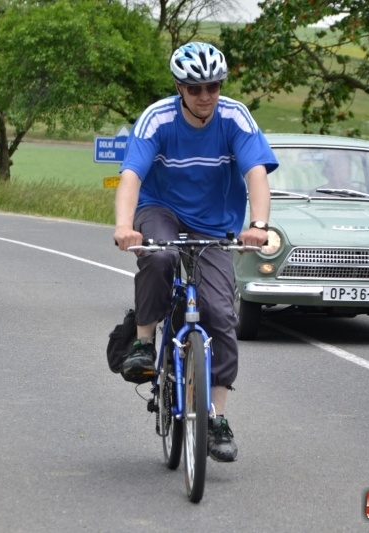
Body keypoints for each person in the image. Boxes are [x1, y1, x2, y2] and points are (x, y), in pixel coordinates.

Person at [113, 42, 279, 463]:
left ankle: (216, 417)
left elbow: (256, 174)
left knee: (221, 314)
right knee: (160, 257)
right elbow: (131, 176)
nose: (205, 95)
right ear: (179, 87)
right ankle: (144, 343)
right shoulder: (158, 119)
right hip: (160, 209)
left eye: (213, 86)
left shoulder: (235, 118)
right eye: (195, 88)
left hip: (215, 222)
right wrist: (125, 227)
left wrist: (258, 226)